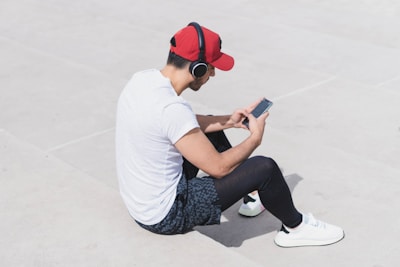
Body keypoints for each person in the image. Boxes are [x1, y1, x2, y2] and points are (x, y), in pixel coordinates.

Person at [115, 22, 345, 247]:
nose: (213, 74)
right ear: (198, 68)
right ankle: (296, 228)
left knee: (211, 132)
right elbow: (219, 168)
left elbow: (183, 124)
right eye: (211, 67)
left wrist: (228, 121)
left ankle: (252, 191)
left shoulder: (143, 80)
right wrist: (255, 138)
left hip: (140, 202)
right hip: (166, 214)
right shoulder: (172, 109)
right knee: (265, 168)